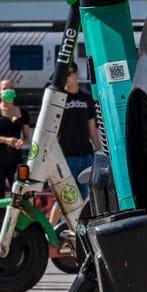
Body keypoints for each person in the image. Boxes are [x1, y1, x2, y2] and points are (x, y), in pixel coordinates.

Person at [0, 79, 31, 201]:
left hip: (16, 157)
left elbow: (26, 138)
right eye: (5, 88)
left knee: (20, 191)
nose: (9, 90)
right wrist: (5, 140)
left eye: (11, 88)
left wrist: (21, 143)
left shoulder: (23, 112)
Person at [55, 62, 100, 195]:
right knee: (65, 197)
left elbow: (91, 125)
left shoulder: (86, 97)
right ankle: (53, 218)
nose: (66, 78)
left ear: (76, 73)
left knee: (88, 196)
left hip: (86, 154)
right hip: (66, 155)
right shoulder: (58, 99)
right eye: (63, 75)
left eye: (69, 74)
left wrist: (97, 149)